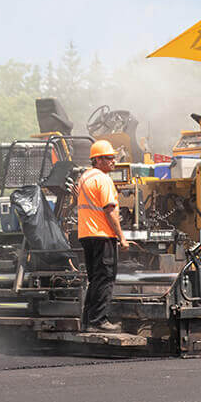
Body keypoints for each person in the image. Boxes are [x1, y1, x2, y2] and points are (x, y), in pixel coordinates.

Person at [78, 139, 128, 333]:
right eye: (109, 158)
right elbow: (110, 211)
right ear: (97, 160)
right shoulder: (103, 179)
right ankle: (99, 321)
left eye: (114, 158)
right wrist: (122, 238)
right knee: (106, 278)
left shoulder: (84, 178)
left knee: (95, 279)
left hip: (86, 235)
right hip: (102, 234)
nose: (113, 162)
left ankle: (87, 321)